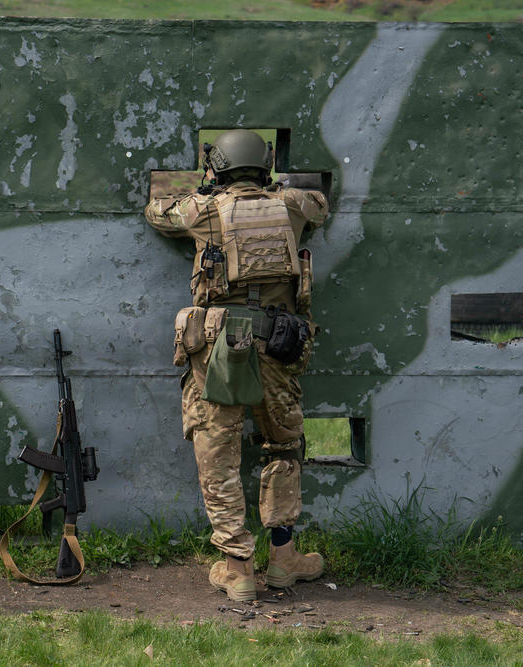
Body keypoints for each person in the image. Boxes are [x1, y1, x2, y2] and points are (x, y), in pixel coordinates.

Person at [144, 129, 329, 601]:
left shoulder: (202, 211)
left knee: (218, 451)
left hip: (219, 344)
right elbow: (320, 206)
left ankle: (238, 567)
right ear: (264, 165)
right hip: (279, 342)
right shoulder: (292, 205)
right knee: (283, 446)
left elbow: (155, 211)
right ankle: (284, 559)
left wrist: (203, 189)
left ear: (218, 166)